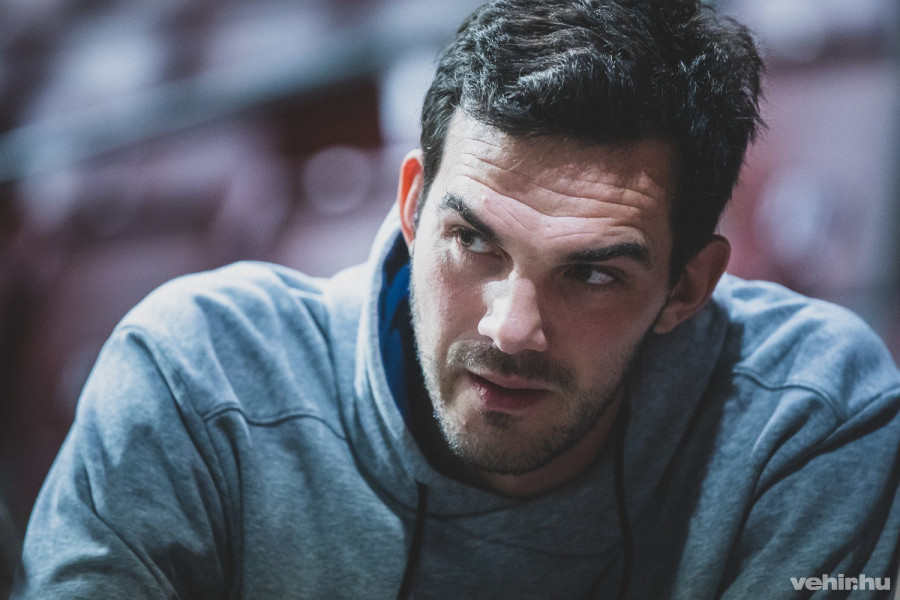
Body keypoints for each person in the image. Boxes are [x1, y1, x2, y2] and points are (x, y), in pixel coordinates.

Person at [12, 0, 900, 598]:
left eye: (593, 274)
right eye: (473, 241)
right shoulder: (194, 382)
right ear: (411, 206)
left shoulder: (813, 417)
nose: (510, 328)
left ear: (687, 286)